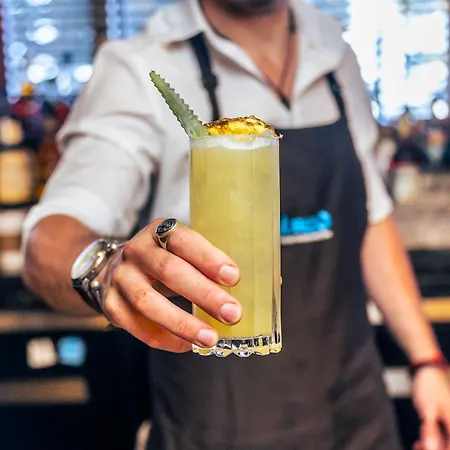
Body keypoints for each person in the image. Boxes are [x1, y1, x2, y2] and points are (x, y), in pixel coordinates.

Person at [22, 0, 450, 449]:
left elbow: (370, 220)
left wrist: (427, 359)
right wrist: (105, 268)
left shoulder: (335, 52)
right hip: (220, 427)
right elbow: (48, 240)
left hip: (357, 417)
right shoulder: (138, 67)